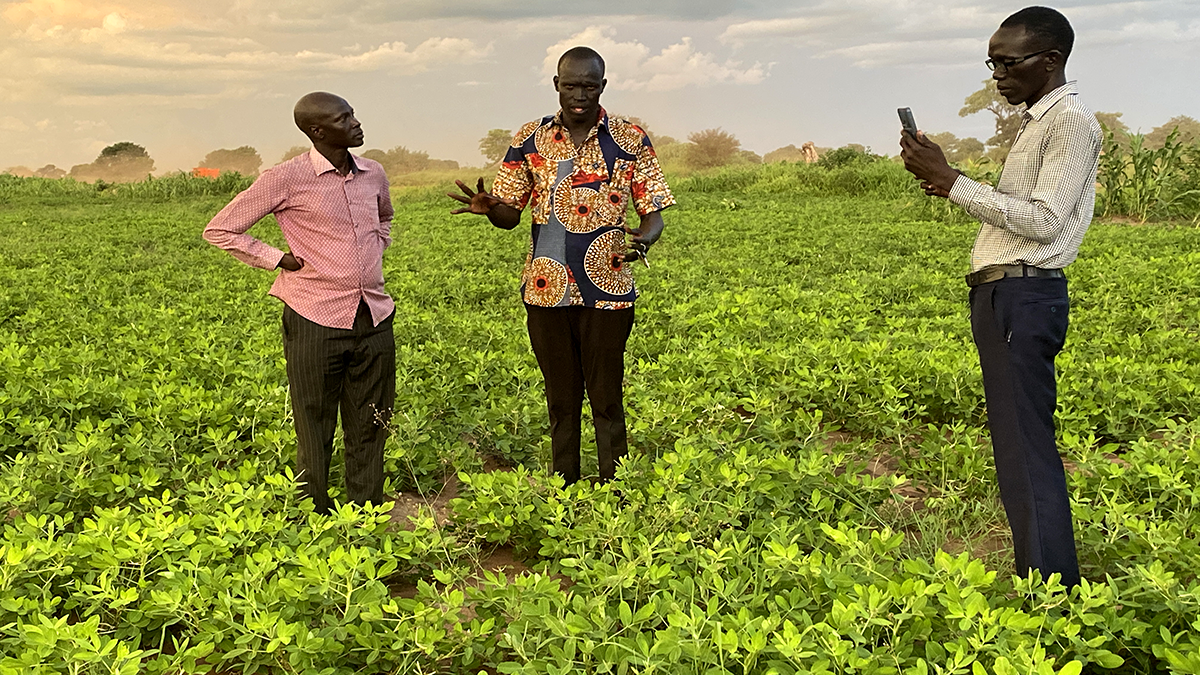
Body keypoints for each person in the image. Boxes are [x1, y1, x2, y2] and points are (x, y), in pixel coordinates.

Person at [901, 6, 1100, 589]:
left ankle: (1050, 596)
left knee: (1025, 450)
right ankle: (1045, 582)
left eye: (1009, 62)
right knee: (1017, 448)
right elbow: (1022, 212)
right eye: (993, 62)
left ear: (1051, 60)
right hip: (1008, 296)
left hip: (1024, 294)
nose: (998, 74)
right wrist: (946, 179)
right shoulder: (1040, 121)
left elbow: (1042, 220)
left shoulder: (1069, 120)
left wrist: (953, 181)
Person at [448, 46, 674, 486]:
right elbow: (510, 216)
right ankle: (565, 486)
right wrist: (490, 208)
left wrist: (646, 237)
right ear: (556, 85)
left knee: (607, 395)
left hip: (608, 288)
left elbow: (654, 211)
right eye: (570, 85)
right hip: (545, 288)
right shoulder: (529, 138)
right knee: (561, 397)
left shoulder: (630, 139)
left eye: (589, 86)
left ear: (602, 87)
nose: (579, 95)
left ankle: (615, 489)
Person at [203, 92, 396, 514]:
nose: (356, 123)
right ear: (318, 131)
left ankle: (366, 511)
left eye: (354, 113)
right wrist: (279, 259)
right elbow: (221, 230)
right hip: (315, 316)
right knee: (315, 421)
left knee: (372, 421)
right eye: (345, 118)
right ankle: (314, 512)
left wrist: (374, 252)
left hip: (374, 314)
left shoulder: (373, 173)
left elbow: (384, 218)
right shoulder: (286, 178)